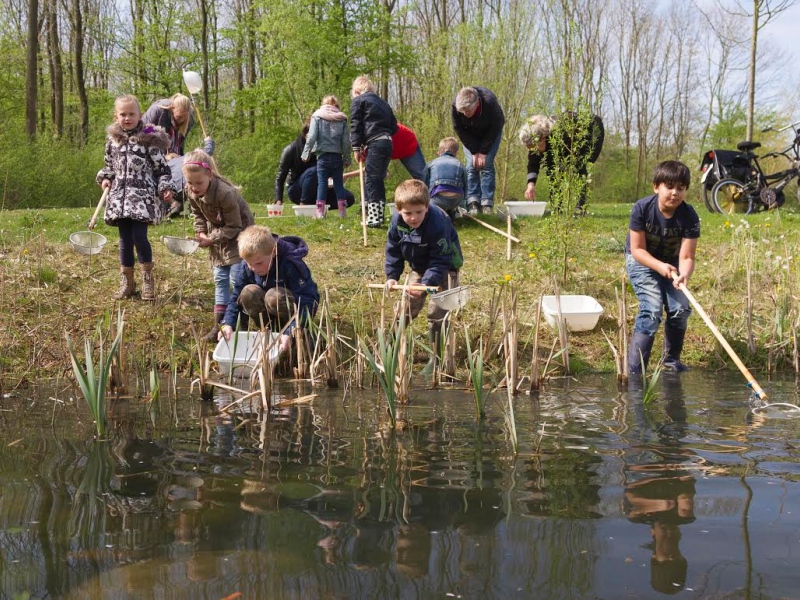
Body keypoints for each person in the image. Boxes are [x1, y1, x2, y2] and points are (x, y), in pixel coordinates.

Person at [96, 94, 174, 301]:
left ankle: (148, 280)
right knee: (124, 240)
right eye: (123, 114)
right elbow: (109, 167)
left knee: (139, 237)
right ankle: (127, 283)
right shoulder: (113, 140)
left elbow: (163, 169)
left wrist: (165, 187)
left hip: (142, 197)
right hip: (119, 198)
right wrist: (105, 178)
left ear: (140, 115)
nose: (127, 118)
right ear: (116, 116)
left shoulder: (149, 135)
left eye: (132, 114)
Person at [626, 160, 700, 374]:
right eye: (669, 187)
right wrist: (659, 267)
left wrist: (684, 274)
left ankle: (671, 361)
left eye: (681, 188)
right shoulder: (642, 209)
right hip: (642, 260)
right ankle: (635, 372)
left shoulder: (690, 216)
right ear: (656, 187)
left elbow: (687, 256)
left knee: (680, 309)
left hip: (674, 266)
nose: (675, 193)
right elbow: (638, 250)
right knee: (651, 310)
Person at [385, 180, 463, 373]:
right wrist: (392, 276)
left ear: (427, 207)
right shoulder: (396, 222)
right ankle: (390, 349)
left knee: (438, 312)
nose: (413, 218)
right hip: (419, 267)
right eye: (408, 213)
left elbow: (441, 258)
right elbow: (393, 250)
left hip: (445, 268)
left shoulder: (437, 223)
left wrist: (425, 285)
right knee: (405, 307)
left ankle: (436, 359)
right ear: (398, 210)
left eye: (419, 212)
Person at [183, 149, 255, 341]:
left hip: (240, 237)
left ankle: (241, 322)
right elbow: (197, 214)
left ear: (210, 175)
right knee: (220, 279)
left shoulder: (225, 193)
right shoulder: (191, 191)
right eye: (190, 183)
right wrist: (200, 232)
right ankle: (219, 325)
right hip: (217, 237)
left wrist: (211, 238)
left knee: (235, 278)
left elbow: (235, 226)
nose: (194, 187)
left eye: (199, 183)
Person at [221, 225, 319, 355]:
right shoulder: (248, 266)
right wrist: (228, 323)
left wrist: (292, 330)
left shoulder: (291, 264)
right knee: (248, 292)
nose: (253, 268)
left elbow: (308, 301)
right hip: (267, 313)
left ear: (273, 252)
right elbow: (235, 297)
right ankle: (269, 331)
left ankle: (298, 337)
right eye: (248, 263)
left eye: (258, 263)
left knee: (274, 296)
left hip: (292, 314)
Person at [519, 111, 604, 215]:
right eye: (530, 148)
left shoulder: (561, 134)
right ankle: (557, 208)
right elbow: (533, 163)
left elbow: (557, 168)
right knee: (553, 169)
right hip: (571, 135)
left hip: (592, 129)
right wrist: (530, 185)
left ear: (543, 138)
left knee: (578, 166)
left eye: (535, 147)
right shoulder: (535, 142)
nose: (534, 151)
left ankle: (580, 209)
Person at [350, 75, 398, 228]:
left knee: (371, 179)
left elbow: (355, 124)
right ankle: (378, 216)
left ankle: (373, 218)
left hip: (376, 142)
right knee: (378, 179)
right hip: (387, 142)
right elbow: (394, 126)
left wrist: (356, 147)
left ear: (357, 91)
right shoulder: (383, 103)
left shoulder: (358, 101)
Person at [275, 120, 356, 209]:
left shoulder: (322, 148)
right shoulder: (290, 150)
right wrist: (278, 200)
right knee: (314, 170)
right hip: (297, 190)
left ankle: (318, 207)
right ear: (306, 134)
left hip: (318, 188)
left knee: (348, 198)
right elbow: (280, 177)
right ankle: (304, 205)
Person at [451, 86, 505, 215]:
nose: (465, 114)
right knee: (471, 166)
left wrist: (484, 152)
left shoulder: (489, 102)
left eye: (468, 110)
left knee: (486, 165)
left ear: (477, 103)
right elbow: (458, 128)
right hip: (470, 136)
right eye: (462, 111)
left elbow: (496, 126)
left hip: (491, 134)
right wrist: (474, 151)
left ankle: (487, 203)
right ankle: (473, 202)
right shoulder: (455, 105)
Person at [302, 95, 352, 218]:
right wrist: (346, 158)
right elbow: (346, 141)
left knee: (322, 185)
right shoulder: (342, 119)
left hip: (323, 157)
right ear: (337, 106)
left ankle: (319, 213)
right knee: (339, 185)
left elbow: (312, 136)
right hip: (337, 157)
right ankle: (342, 212)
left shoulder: (317, 116)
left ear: (323, 104)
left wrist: (306, 153)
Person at [164, 136, 216, 218]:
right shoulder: (188, 159)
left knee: (168, 193)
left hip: (175, 191)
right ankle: (192, 207)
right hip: (191, 186)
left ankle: (175, 205)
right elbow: (207, 152)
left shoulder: (165, 166)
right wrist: (208, 141)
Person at [423, 137, 467, 221]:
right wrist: (463, 204)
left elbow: (424, 184)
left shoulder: (431, 163)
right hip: (456, 199)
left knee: (431, 196)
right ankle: (451, 212)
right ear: (456, 153)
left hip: (438, 200)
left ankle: (440, 214)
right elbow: (465, 186)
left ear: (439, 152)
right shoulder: (460, 164)